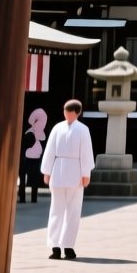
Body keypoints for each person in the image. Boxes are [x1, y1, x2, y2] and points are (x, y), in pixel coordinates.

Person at [40, 98, 93, 260]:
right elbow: (50, 150)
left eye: (69, 111)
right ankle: (55, 246)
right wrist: (47, 171)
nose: (67, 114)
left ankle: (68, 245)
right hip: (59, 170)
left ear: (77, 113)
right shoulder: (57, 128)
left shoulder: (83, 129)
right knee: (56, 210)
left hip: (75, 173)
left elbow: (85, 153)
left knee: (73, 211)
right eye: (65, 111)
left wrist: (86, 174)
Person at [19, 106, 47, 204]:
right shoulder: (30, 133)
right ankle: (23, 198)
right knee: (24, 179)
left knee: (33, 179)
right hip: (27, 159)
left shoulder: (40, 133)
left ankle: (32, 198)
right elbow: (26, 145)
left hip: (35, 159)